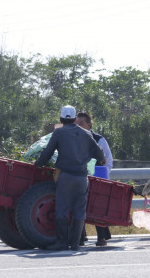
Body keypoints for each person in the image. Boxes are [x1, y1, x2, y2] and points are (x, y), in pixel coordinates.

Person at [33, 105, 106, 251]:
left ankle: (62, 242)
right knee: (79, 210)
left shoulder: (59, 133)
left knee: (62, 209)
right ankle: (75, 243)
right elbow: (100, 156)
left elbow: (47, 153)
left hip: (66, 177)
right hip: (82, 179)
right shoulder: (86, 134)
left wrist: (37, 165)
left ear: (61, 119)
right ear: (74, 119)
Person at [75, 111, 114, 247]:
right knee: (79, 207)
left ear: (89, 124)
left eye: (82, 123)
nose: (79, 126)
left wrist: (103, 176)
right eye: (76, 124)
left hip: (96, 178)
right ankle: (81, 235)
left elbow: (108, 160)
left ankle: (101, 237)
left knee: (97, 208)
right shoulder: (73, 138)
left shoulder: (99, 139)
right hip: (79, 177)